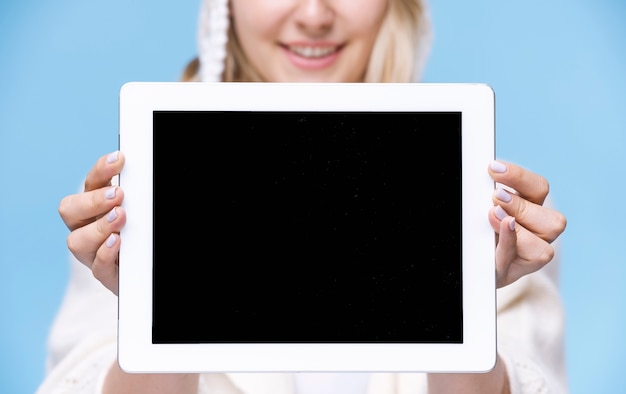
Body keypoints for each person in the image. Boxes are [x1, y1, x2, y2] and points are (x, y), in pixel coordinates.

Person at [36, 0, 568, 393]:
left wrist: (468, 297)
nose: (314, 14)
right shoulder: (139, 197)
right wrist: (156, 301)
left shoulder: (489, 210)